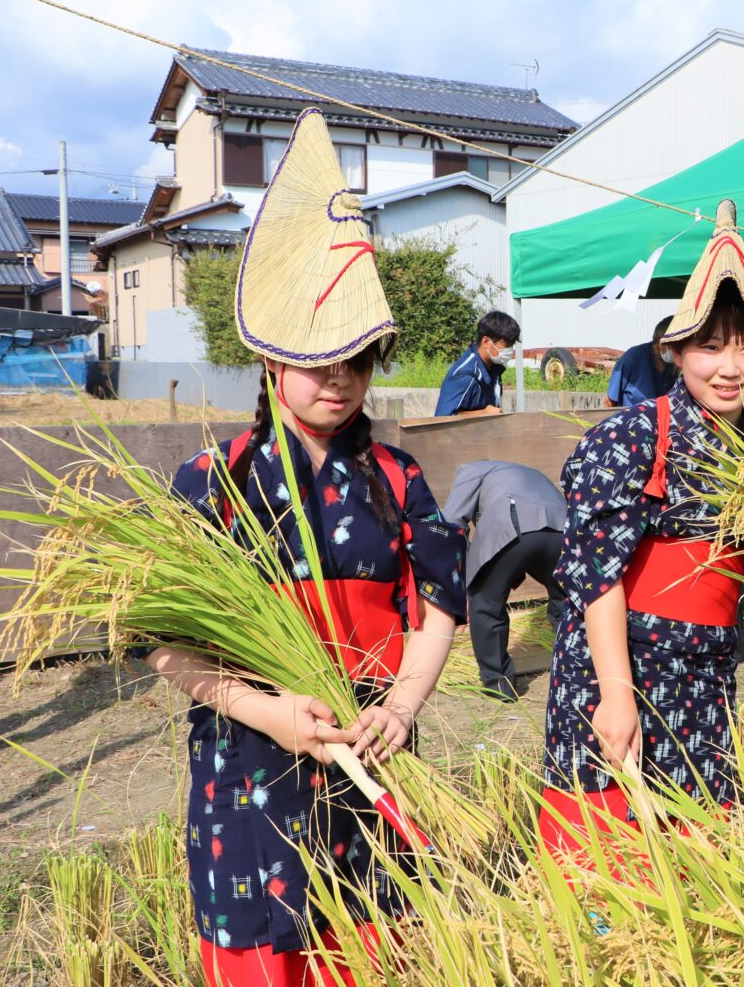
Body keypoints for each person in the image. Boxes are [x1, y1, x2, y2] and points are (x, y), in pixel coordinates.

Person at [148, 110, 466, 987]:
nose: (339, 378)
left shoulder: (399, 479)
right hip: (249, 763)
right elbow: (171, 649)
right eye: (320, 358)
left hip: (371, 750)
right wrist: (269, 713)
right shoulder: (213, 482)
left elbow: (440, 604)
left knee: (369, 947)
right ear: (270, 359)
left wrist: (401, 707)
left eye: (358, 360)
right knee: (265, 953)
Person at [540, 201, 744, 859]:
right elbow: (596, 579)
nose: (729, 366)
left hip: (705, 687)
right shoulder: (631, 439)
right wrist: (616, 697)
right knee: (607, 877)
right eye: (711, 345)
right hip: (615, 674)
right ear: (677, 350)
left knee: (699, 869)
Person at [445, 460, 566, 702]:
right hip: (561, 529)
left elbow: (452, 522)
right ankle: (577, 668)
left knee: (485, 605)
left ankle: (498, 684)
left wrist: (466, 578)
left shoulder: (471, 469)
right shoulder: (533, 470)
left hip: (512, 522)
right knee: (566, 601)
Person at [434, 309, 520, 417]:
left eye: (511, 345)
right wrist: (483, 413)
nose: (509, 350)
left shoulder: (493, 368)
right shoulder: (465, 376)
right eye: (506, 345)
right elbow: (442, 418)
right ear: (486, 342)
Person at [604, 315, 678, 407]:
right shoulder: (633, 358)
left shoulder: (675, 363)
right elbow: (609, 401)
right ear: (660, 340)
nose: (676, 348)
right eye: (673, 344)